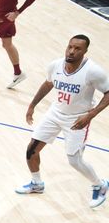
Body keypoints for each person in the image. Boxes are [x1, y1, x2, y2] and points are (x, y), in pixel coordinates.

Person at [16, 35, 109, 208]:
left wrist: (90, 115)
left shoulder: (93, 71)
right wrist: (32, 104)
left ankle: (100, 185)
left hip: (77, 119)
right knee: (31, 150)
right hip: (55, 113)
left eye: (77, 49)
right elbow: (48, 83)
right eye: (70, 47)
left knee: (74, 161)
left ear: (85, 51)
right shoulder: (56, 65)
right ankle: (36, 184)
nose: (72, 51)